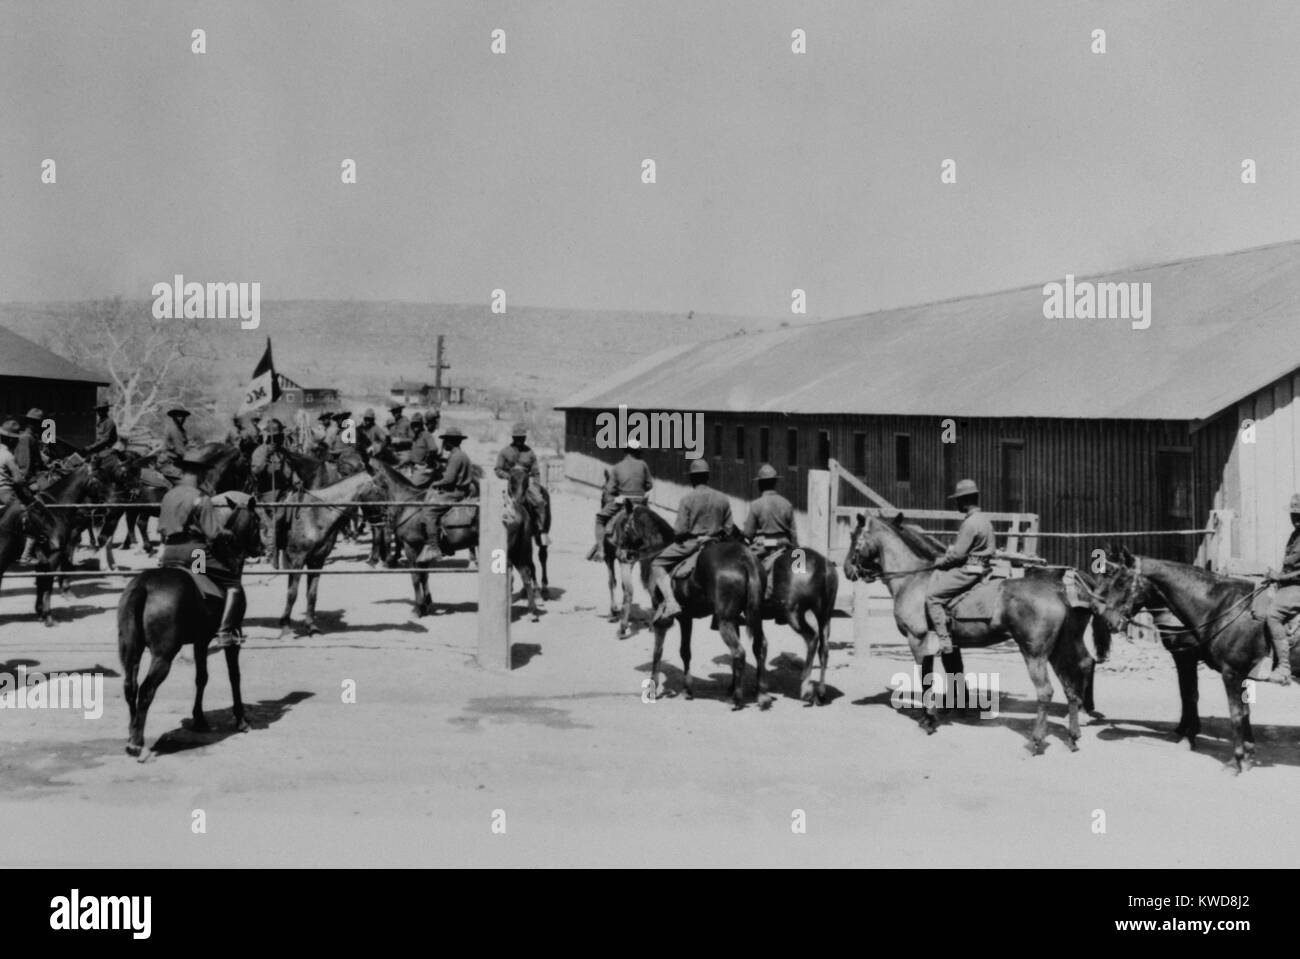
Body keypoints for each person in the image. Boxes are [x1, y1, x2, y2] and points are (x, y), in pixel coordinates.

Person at [156, 449, 245, 649]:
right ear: (198, 474)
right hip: (195, 552)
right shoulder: (200, 498)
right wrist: (227, 533)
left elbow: (161, 527)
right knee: (232, 583)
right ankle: (224, 632)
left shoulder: (168, 495)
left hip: (168, 550)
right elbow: (212, 533)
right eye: (204, 473)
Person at [648, 458, 735, 622]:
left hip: (691, 544)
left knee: (657, 564)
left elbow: (680, 530)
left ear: (692, 479)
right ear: (708, 477)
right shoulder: (723, 498)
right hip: (716, 544)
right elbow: (729, 529)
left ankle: (671, 602)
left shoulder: (687, 499)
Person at [924, 478, 996, 655]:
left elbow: (958, 555)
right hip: (984, 567)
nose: (956, 503)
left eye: (958, 500)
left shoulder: (970, 523)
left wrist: (941, 563)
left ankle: (944, 640)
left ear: (964, 501)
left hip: (969, 570)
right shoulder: (984, 520)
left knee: (932, 596)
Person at [588, 439, 653, 561]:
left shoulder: (617, 467)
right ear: (638, 452)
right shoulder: (644, 465)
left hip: (623, 501)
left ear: (626, 451)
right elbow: (649, 485)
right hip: (640, 502)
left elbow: (611, 489)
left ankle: (601, 551)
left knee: (600, 518)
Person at [418, 426, 474, 563]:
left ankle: (433, 547)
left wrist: (435, 484)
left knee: (429, 511)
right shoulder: (462, 455)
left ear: (450, 442)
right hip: (462, 490)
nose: (443, 444)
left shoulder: (456, 457)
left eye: (445, 441)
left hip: (455, 493)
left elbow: (449, 479)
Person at [1263, 493, 1300, 684]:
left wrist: (1280, 577)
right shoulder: (1295, 535)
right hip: (1289, 584)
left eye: (1299, 516)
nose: (1296, 520)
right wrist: (1274, 577)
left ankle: (1284, 666)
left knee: (1273, 614)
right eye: (1293, 515)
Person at [250, 419, 299, 565]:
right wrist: (266, 456)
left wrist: (296, 479)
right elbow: (256, 471)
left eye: (279, 437)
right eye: (275, 437)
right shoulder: (260, 451)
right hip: (267, 493)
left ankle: (286, 554)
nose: (277, 440)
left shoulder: (282, 452)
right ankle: (271, 554)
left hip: (284, 492)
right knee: (273, 523)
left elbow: (290, 470)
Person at [495, 423, 547, 538]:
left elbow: (535, 471)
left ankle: (541, 530)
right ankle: (496, 531)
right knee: (494, 504)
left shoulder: (529, 452)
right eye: (517, 438)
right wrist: (508, 476)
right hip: (509, 483)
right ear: (513, 438)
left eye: (522, 438)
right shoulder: (505, 452)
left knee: (539, 501)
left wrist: (536, 486)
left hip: (526, 483)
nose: (519, 440)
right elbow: (498, 469)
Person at [743, 463, 798, 559]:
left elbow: (748, 534)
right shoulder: (787, 503)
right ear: (775, 483)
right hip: (784, 545)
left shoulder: (756, 504)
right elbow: (793, 534)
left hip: (763, 547)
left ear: (760, 484)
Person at [155, 407, 192, 483]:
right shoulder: (174, 429)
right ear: (174, 417)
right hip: (169, 462)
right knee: (187, 481)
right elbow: (180, 451)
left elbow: (185, 446)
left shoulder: (181, 430)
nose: (181, 418)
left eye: (183, 416)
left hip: (177, 460)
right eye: (178, 416)